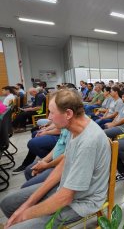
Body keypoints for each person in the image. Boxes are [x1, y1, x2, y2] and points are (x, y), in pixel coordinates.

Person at [0, 89, 111, 228]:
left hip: (83, 202)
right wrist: (27, 205)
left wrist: (25, 215)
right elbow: (64, 163)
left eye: (52, 112)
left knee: (16, 224)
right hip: (66, 189)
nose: (49, 117)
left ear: (69, 113)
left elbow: (66, 197)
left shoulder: (88, 141)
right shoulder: (75, 126)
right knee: (7, 203)